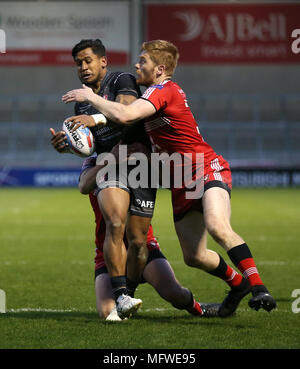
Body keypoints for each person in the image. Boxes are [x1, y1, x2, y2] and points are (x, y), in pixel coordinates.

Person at [62, 39, 277, 315]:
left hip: (205, 169)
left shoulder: (164, 89)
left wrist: (90, 99)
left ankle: (259, 287)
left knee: (217, 225)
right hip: (180, 183)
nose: (137, 65)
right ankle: (238, 284)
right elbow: (120, 121)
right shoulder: (150, 95)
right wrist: (72, 141)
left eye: (143, 61)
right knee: (194, 256)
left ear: (160, 68)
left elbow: (126, 113)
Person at [51, 38, 219, 320]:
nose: (83, 67)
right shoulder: (80, 107)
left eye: (88, 60)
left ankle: (200, 309)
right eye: (78, 63)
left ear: (103, 61)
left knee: (174, 292)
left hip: (140, 171)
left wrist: (96, 118)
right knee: (109, 313)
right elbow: (90, 153)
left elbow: (126, 111)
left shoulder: (121, 80)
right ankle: (122, 295)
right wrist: (68, 145)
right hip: (113, 175)